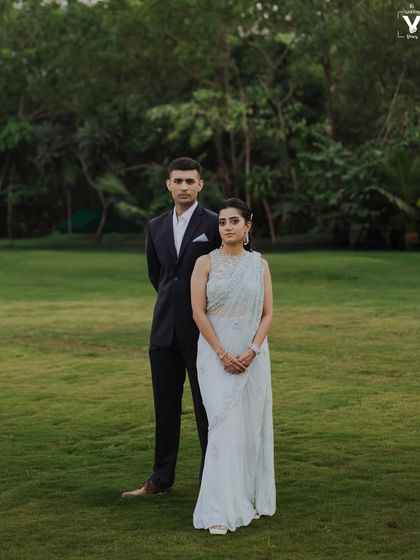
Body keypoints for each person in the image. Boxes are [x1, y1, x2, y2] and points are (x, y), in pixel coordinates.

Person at [122, 157, 221, 498]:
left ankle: (212, 478)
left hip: (203, 332)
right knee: (165, 408)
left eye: (189, 181)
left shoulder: (214, 223)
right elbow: (158, 276)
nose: (183, 186)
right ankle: (161, 479)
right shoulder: (156, 226)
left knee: (206, 407)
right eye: (177, 181)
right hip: (163, 331)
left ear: (200, 185)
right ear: (168, 185)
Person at [190, 198, 276, 534]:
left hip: (253, 354)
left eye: (234, 221)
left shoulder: (260, 265)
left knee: (248, 431)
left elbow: (268, 312)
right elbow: (198, 312)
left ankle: (245, 500)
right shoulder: (204, 263)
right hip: (214, 353)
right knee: (223, 427)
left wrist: (252, 351)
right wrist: (222, 353)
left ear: (247, 225)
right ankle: (217, 511)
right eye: (223, 222)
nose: (227, 226)